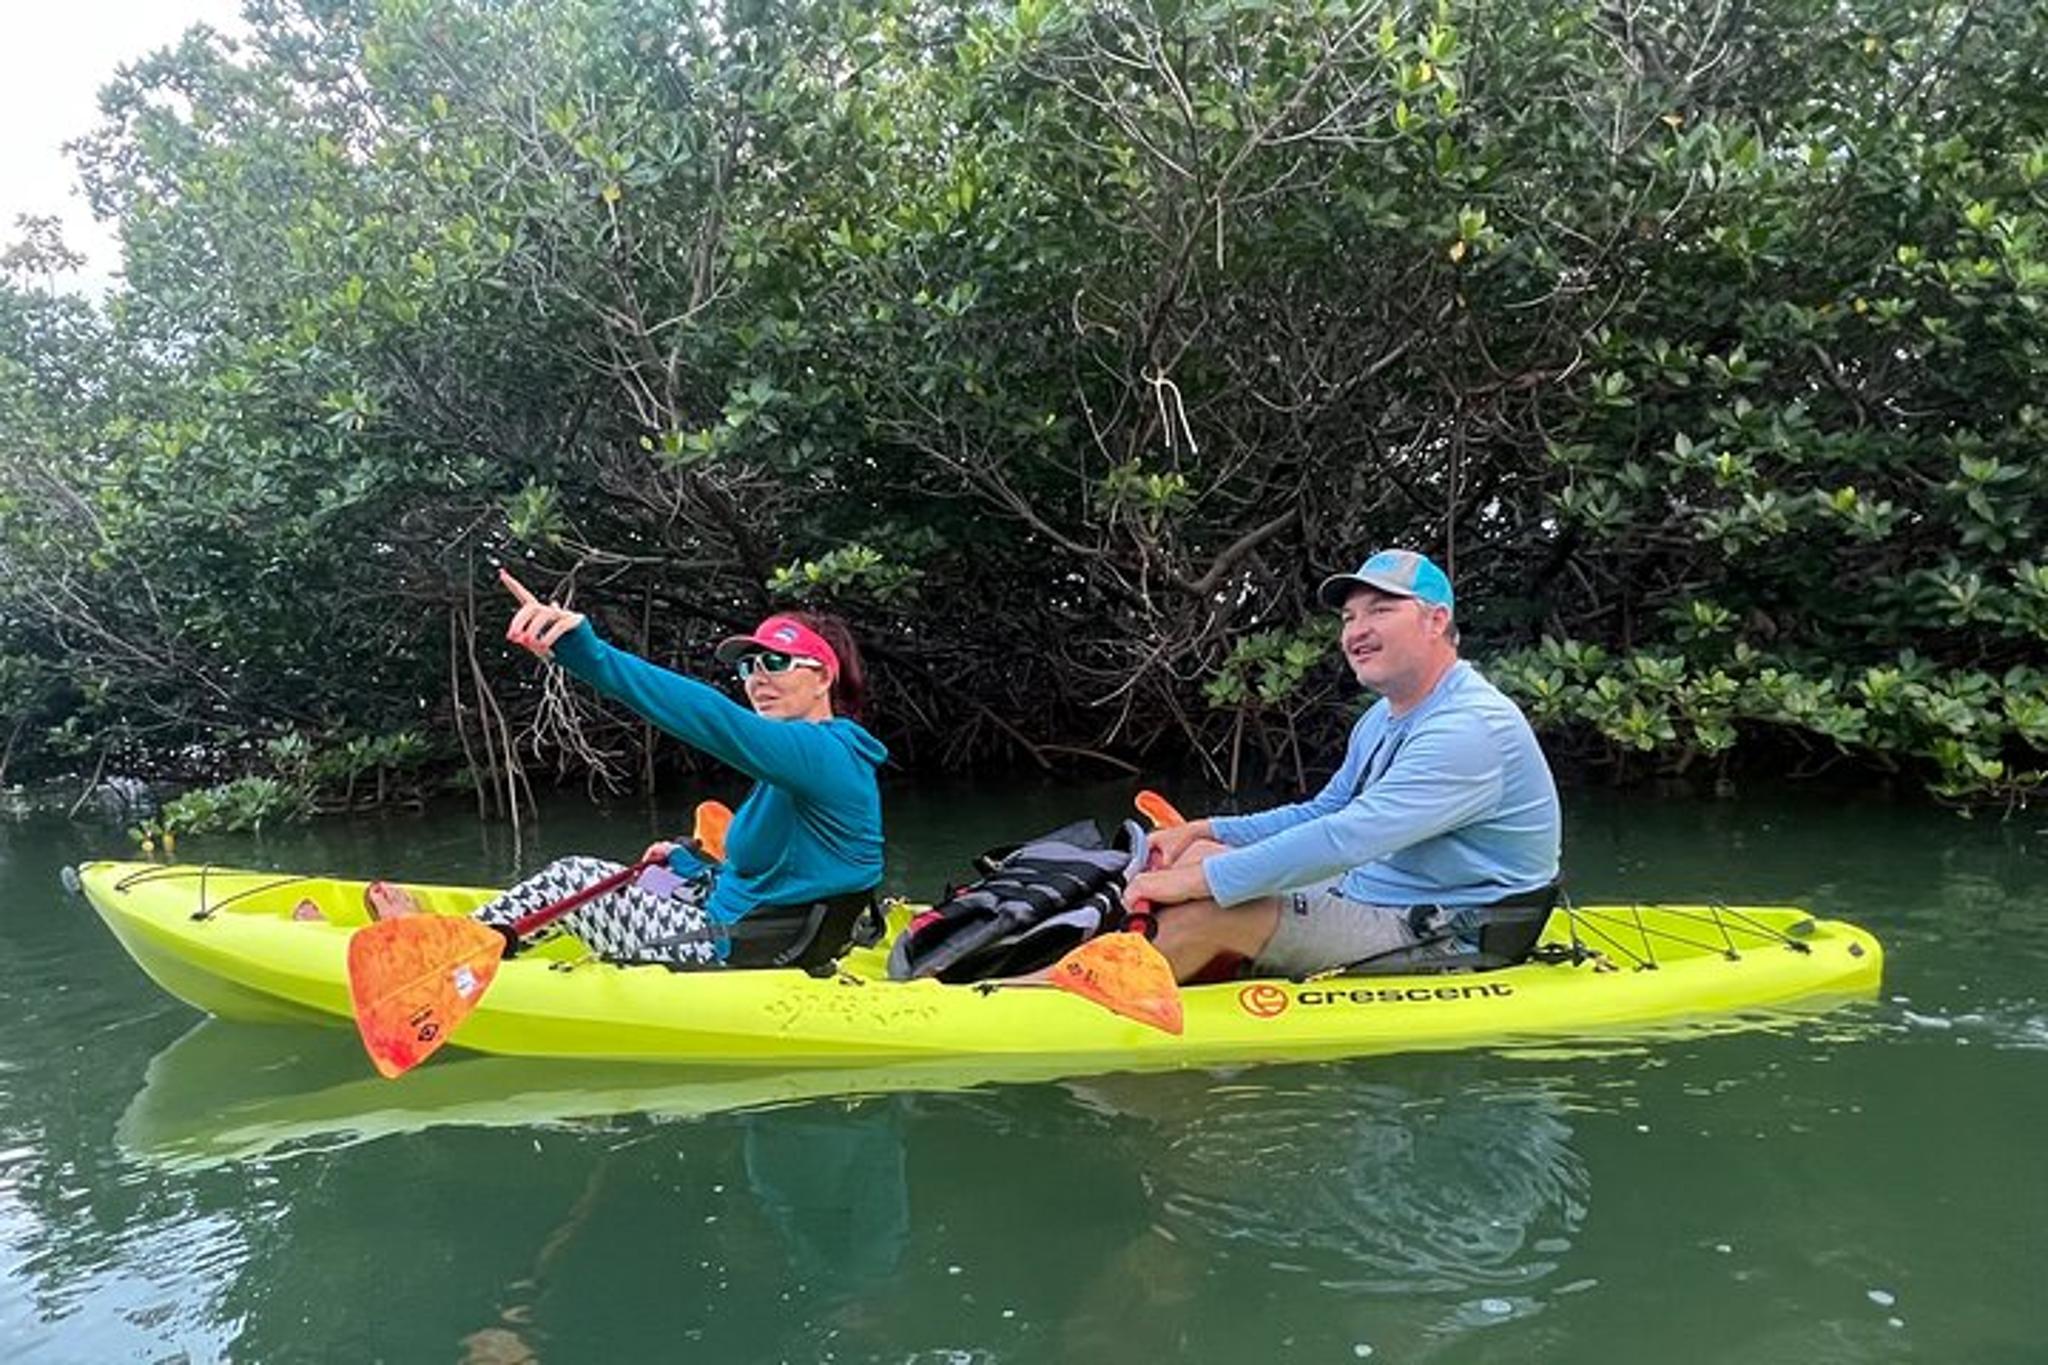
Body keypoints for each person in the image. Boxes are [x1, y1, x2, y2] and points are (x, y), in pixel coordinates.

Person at [365, 569, 886, 971]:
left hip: (738, 948)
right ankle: (488, 936)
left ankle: (437, 954)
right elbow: (774, 874)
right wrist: (691, 866)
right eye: (748, 667)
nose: (756, 679)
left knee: (575, 877)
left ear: (824, 678)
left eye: (775, 663)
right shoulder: (799, 763)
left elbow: (711, 716)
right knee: (649, 876)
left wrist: (585, 653)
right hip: (744, 920)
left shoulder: (826, 754)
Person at [1124, 549, 1561, 982]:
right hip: (1368, 893)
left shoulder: (1470, 728)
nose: (1357, 631)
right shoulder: (1382, 715)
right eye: (1349, 618)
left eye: (1381, 610)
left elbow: (1345, 839)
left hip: (1449, 932)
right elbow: (1326, 811)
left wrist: (1194, 885)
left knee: (1211, 912)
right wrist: (1206, 831)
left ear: (1436, 620)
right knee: (1196, 857)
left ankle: (1067, 1002)